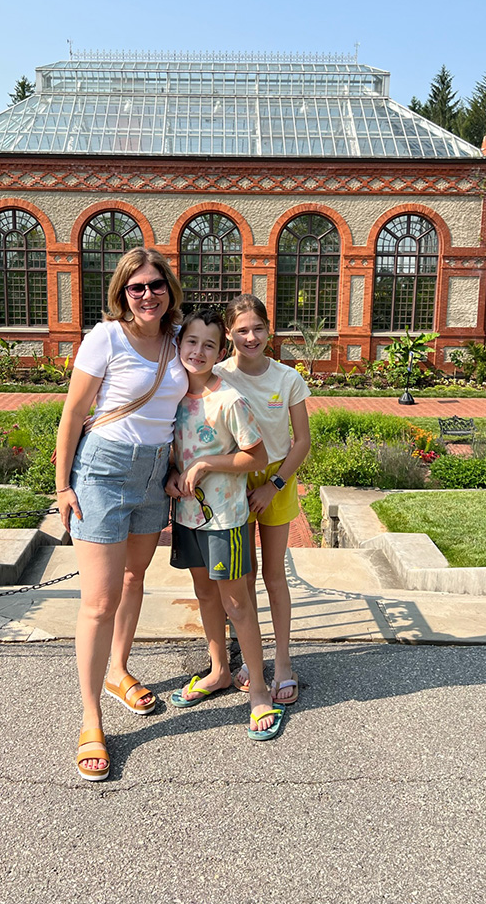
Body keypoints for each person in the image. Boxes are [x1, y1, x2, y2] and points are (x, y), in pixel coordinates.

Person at [55, 247, 188, 781]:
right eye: (137, 288)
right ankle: (90, 718)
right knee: (99, 601)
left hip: (155, 474)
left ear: (168, 290)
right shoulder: (105, 338)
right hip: (103, 472)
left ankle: (118, 670)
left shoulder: (178, 342)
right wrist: (62, 485)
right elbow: (73, 411)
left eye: (156, 285)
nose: (148, 295)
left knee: (135, 580)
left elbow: (188, 406)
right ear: (121, 293)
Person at [166, 307, 283, 740]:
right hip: (188, 516)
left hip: (226, 520)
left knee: (237, 604)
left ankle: (259, 693)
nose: (198, 351)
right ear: (180, 344)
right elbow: (173, 451)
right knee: (204, 594)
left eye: (209, 344)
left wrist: (207, 465)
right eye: (191, 341)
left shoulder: (229, 398)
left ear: (220, 351)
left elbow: (258, 457)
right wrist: (173, 474)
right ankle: (218, 670)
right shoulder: (174, 396)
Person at [215, 294, 311, 705]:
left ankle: (284, 662)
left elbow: (302, 441)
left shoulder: (287, 378)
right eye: (241, 331)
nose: (250, 337)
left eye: (257, 328)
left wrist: (273, 484)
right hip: (232, 483)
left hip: (275, 482)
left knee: (274, 576)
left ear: (269, 330)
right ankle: (253, 662)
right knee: (243, 577)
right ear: (229, 334)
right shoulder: (217, 374)